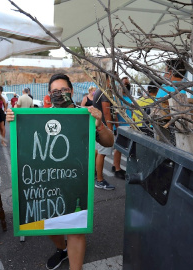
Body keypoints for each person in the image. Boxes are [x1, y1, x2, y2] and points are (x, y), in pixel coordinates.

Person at [6, 73, 114, 270]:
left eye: (64, 90)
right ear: (49, 94)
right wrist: (14, 118)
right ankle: (61, 249)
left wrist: (99, 124)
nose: (60, 94)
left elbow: (109, 142)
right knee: (48, 224)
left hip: (76, 182)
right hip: (46, 183)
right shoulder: (39, 116)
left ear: (71, 91)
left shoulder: (86, 115)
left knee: (76, 229)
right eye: (55, 91)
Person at [92, 72, 117, 190]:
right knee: (102, 154)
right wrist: (110, 131)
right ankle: (100, 180)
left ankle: (94, 174)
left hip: (98, 127)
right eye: (112, 79)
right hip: (103, 128)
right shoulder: (105, 92)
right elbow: (107, 113)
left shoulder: (98, 90)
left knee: (97, 151)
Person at [111, 77, 132, 179]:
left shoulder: (129, 98)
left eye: (127, 83)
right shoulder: (117, 99)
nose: (126, 85)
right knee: (118, 149)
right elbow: (114, 114)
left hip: (129, 127)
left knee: (123, 148)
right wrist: (117, 126)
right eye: (124, 83)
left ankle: (115, 165)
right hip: (120, 127)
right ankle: (117, 169)